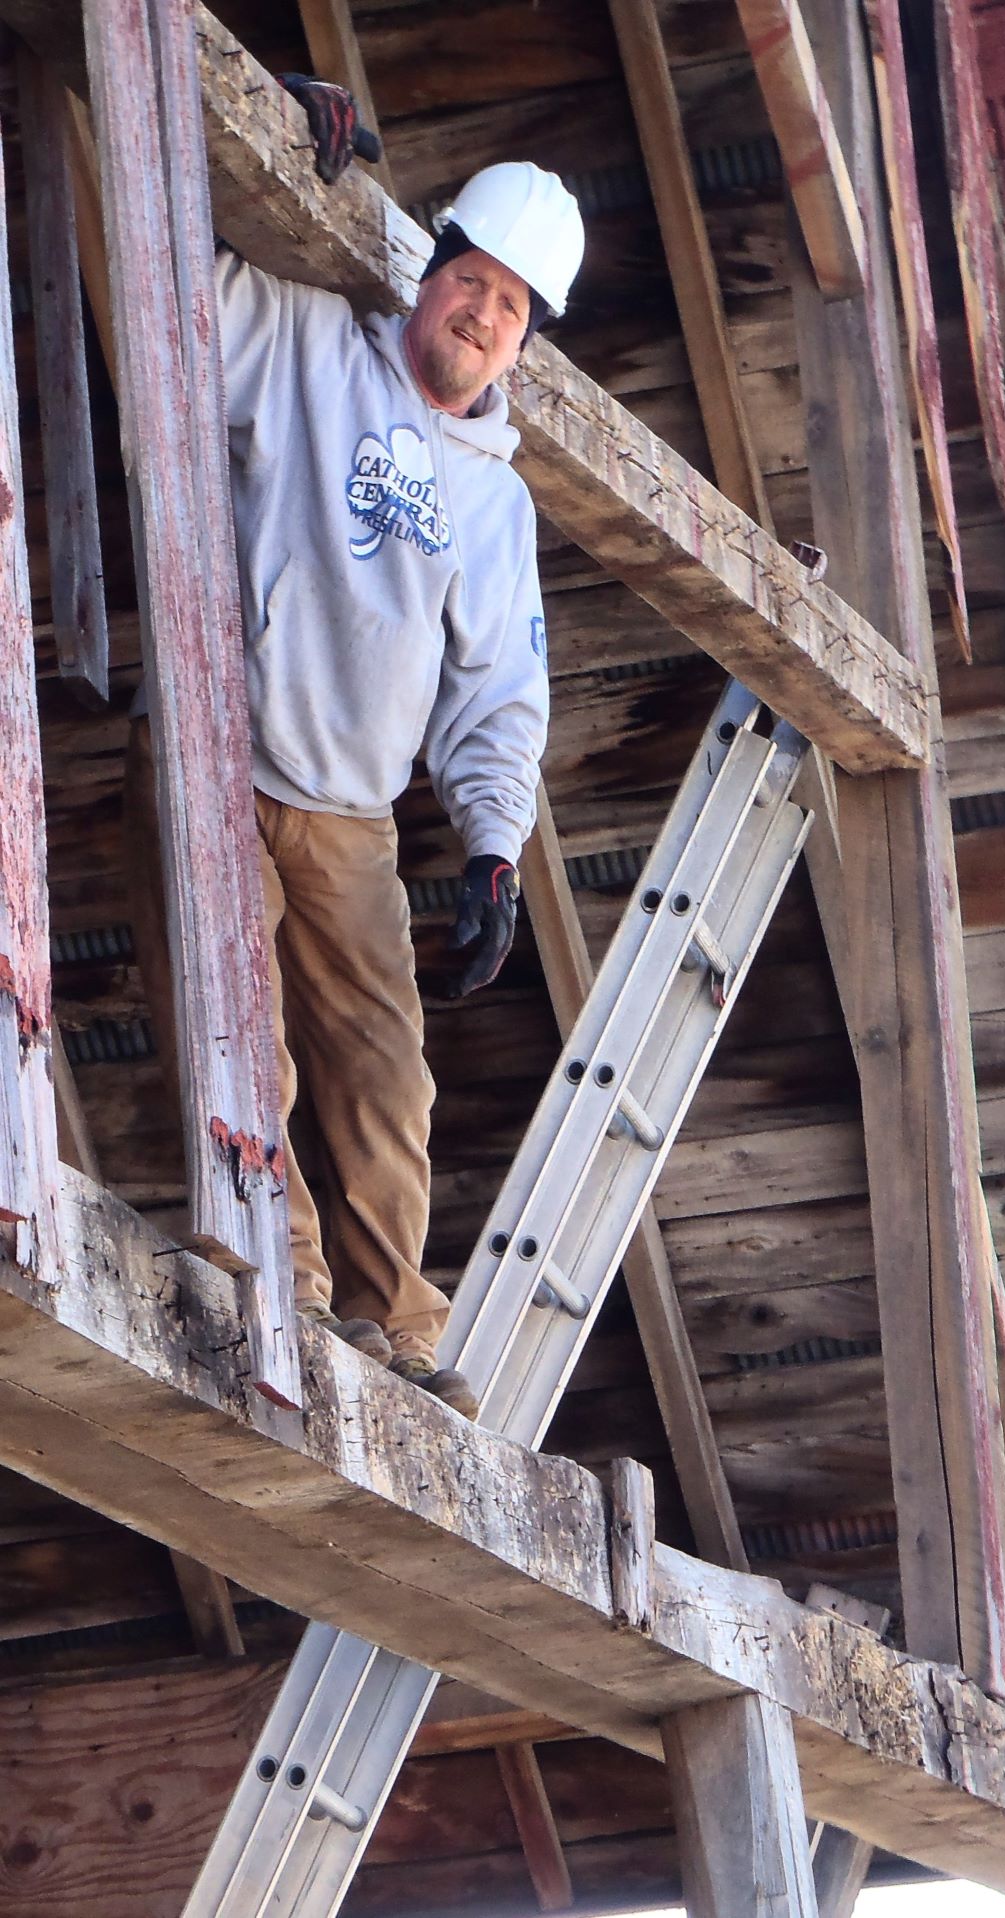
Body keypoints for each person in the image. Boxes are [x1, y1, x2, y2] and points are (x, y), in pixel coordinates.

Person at [125, 95, 585, 1420]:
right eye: (471, 283)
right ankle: (297, 1284)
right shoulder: (307, 339)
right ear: (434, 271)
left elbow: (500, 690)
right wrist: (253, 142)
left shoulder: (496, 503)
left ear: (525, 343)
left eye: (511, 309)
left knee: (388, 1078)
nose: (482, 317)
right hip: (221, 756)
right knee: (243, 1034)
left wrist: (495, 845)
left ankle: (394, 1317)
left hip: (353, 818)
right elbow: (164, 270)